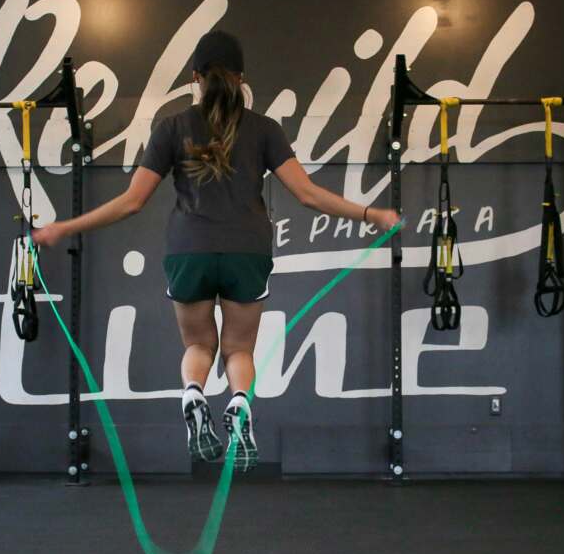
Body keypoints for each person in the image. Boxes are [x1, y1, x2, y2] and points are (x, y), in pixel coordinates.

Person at [32, 31, 400, 471]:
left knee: (198, 345)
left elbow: (131, 202)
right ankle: (239, 404)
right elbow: (308, 195)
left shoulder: (172, 128)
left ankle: (192, 395)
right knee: (239, 349)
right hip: (248, 250)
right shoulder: (264, 129)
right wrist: (370, 214)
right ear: (241, 78)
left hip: (190, 251)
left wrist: (64, 226)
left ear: (195, 78)